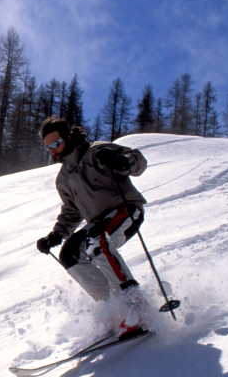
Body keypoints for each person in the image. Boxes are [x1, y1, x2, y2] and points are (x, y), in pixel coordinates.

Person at [35, 116, 149, 337]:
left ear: (68, 137)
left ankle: (136, 306)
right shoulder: (63, 178)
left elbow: (138, 160)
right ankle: (113, 308)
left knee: (98, 242)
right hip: (98, 222)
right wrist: (56, 235)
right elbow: (72, 211)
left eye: (56, 143)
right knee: (69, 255)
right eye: (48, 147)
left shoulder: (97, 152)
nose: (53, 151)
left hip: (125, 210)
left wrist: (120, 160)